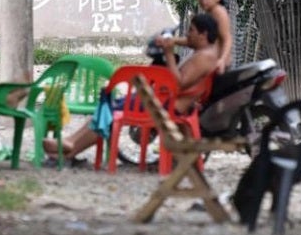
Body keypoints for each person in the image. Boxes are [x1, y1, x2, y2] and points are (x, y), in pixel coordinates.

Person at [43, 13, 221, 160]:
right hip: (168, 101)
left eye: (191, 31)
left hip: (168, 105)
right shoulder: (207, 51)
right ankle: (69, 146)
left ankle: (71, 145)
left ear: (203, 35)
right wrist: (171, 41)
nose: (187, 35)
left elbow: (179, 83)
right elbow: (188, 43)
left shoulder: (203, 57)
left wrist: (168, 54)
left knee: (110, 111)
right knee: (109, 109)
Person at [174, 0, 233, 74]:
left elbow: (227, 38)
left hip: (218, 67)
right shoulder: (209, 12)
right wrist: (173, 41)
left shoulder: (218, 12)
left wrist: (222, 60)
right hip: (209, 64)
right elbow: (196, 40)